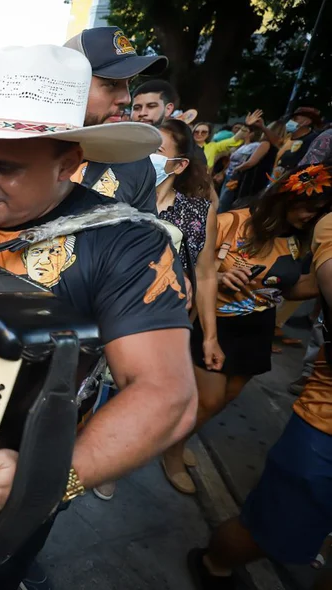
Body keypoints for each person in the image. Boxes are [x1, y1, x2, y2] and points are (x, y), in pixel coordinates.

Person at [0, 43, 196, 590]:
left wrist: (44, 479)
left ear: (69, 162)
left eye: (6, 166)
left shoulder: (127, 245)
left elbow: (168, 395)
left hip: (17, 487)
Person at [187, 163, 332, 590]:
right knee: (207, 400)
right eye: (307, 205)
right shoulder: (235, 220)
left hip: (255, 329)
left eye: (320, 209)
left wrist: (313, 283)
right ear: (286, 196)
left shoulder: (300, 242)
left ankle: (172, 440)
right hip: (216, 322)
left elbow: (291, 290)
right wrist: (219, 270)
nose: (310, 215)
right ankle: (164, 447)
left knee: (225, 400)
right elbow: (199, 266)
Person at [153, 119, 225, 493]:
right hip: (110, 317)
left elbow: (207, 272)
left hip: (168, 324)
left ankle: (165, 450)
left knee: (156, 393)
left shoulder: (197, 212)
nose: (144, 158)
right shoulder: (117, 198)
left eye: (156, 151)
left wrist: (209, 336)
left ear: (180, 165)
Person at [65, 26, 169, 214]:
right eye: (112, 83)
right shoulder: (24, 147)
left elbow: (146, 238)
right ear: (70, 84)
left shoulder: (134, 161)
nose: (126, 99)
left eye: (128, 83)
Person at [275, 106, 323, 176]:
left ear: (307, 122)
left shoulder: (312, 141)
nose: (290, 121)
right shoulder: (289, 137)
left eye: (295, 119)